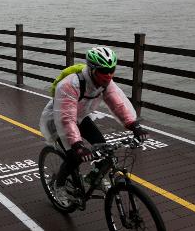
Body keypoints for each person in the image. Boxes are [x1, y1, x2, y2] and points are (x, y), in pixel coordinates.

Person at [39, 47, 149, 206]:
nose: (109, 75)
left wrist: (134, 125)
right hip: (58, 119)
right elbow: (66, 119)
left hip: (80, 116)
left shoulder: (105, 83)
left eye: (112, 70)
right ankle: (59, 186)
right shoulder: (70, 85)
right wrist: (77, 146)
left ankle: (94, 177)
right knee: (74, 157)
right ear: (91, 70)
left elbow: (118, 104)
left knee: (103, 147)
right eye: (104, 71)